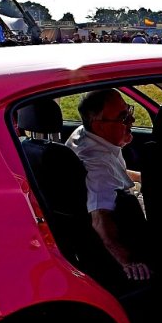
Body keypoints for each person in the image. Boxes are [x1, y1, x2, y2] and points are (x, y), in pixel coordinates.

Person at [65, 89, 150, 282]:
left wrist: (144, 177)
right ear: (99, 125)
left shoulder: (84, 135)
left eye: (128, 111)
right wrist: (130, 263)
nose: (132, 120)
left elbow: (116, 174)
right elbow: (100, 220)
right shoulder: (98, 168)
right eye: (123, 117)